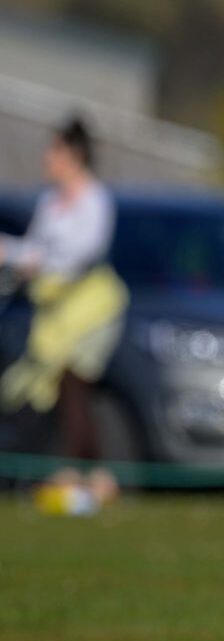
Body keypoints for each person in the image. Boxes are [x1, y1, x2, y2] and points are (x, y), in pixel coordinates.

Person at [0, 117, 125, 480]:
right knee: (46, 389)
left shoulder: (94, 200)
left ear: (73, 155)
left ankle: (89, 474)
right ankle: (64, 473)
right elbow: (38, 249)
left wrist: (18, 256)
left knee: (74, 382)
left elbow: (78, 256)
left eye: (54, 149)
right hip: (56, 314)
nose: (47, 158)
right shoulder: (51, 203)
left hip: (91, 311)